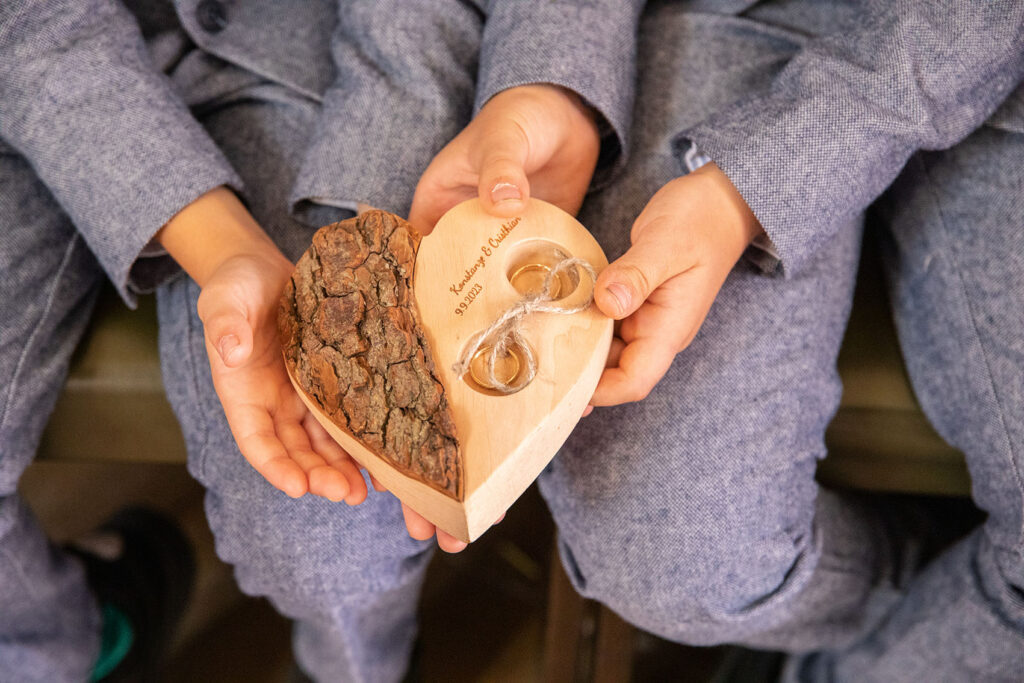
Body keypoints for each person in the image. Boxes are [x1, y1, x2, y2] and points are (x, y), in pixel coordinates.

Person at [1, 1, 1021, 682]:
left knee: (682, 546)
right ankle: (346, 660)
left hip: (797, 38)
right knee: (310, 534)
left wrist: (723, 168)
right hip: (231, 46)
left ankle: (863, 606)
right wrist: (224, 237)